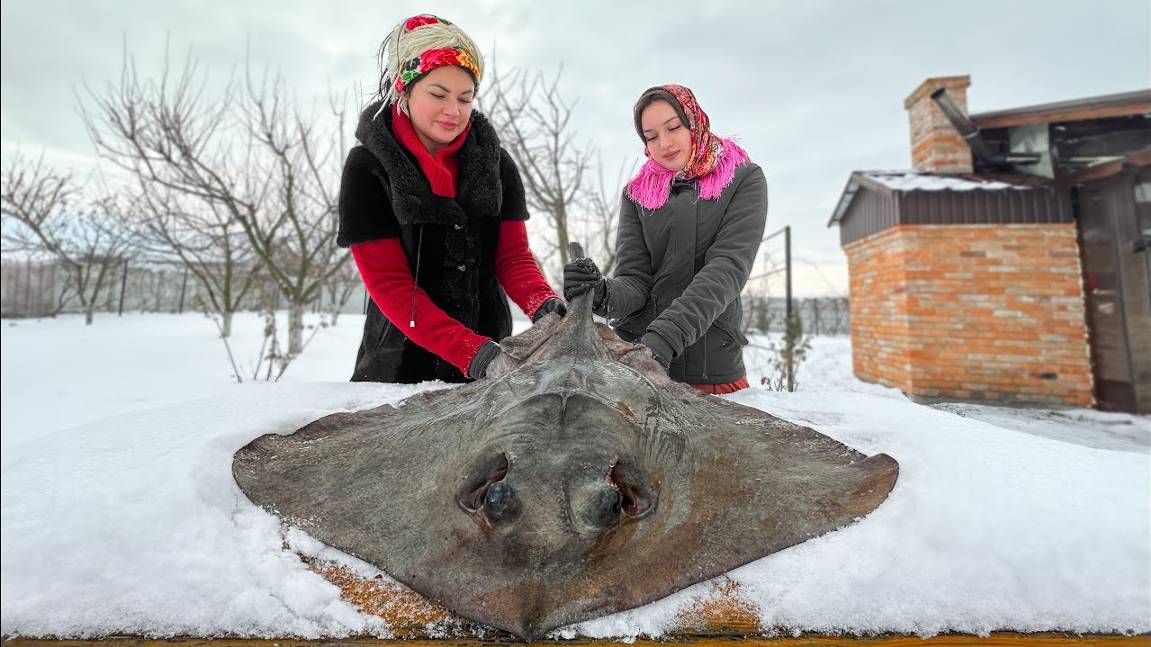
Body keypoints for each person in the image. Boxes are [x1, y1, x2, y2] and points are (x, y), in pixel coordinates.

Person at [337, 14, 564, 384]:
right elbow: (391, 285)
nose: (454, 111)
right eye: (438, 94)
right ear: (405, 89)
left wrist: (545, 306)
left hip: (494, 361)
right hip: (399, 368)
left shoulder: (496, 164)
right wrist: (467, 350)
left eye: (465, 98)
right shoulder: (368, 168)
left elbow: (513, 258)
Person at [565, 84, 768, 394]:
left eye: (673, 127)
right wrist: (601, 292)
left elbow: (726, 269)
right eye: (651, 136)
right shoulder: (637, 195)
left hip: (710, 372)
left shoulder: (743, 180)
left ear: (693, 121)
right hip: (636, 369)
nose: (665, 143)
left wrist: (662, 340)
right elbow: (635, 281)